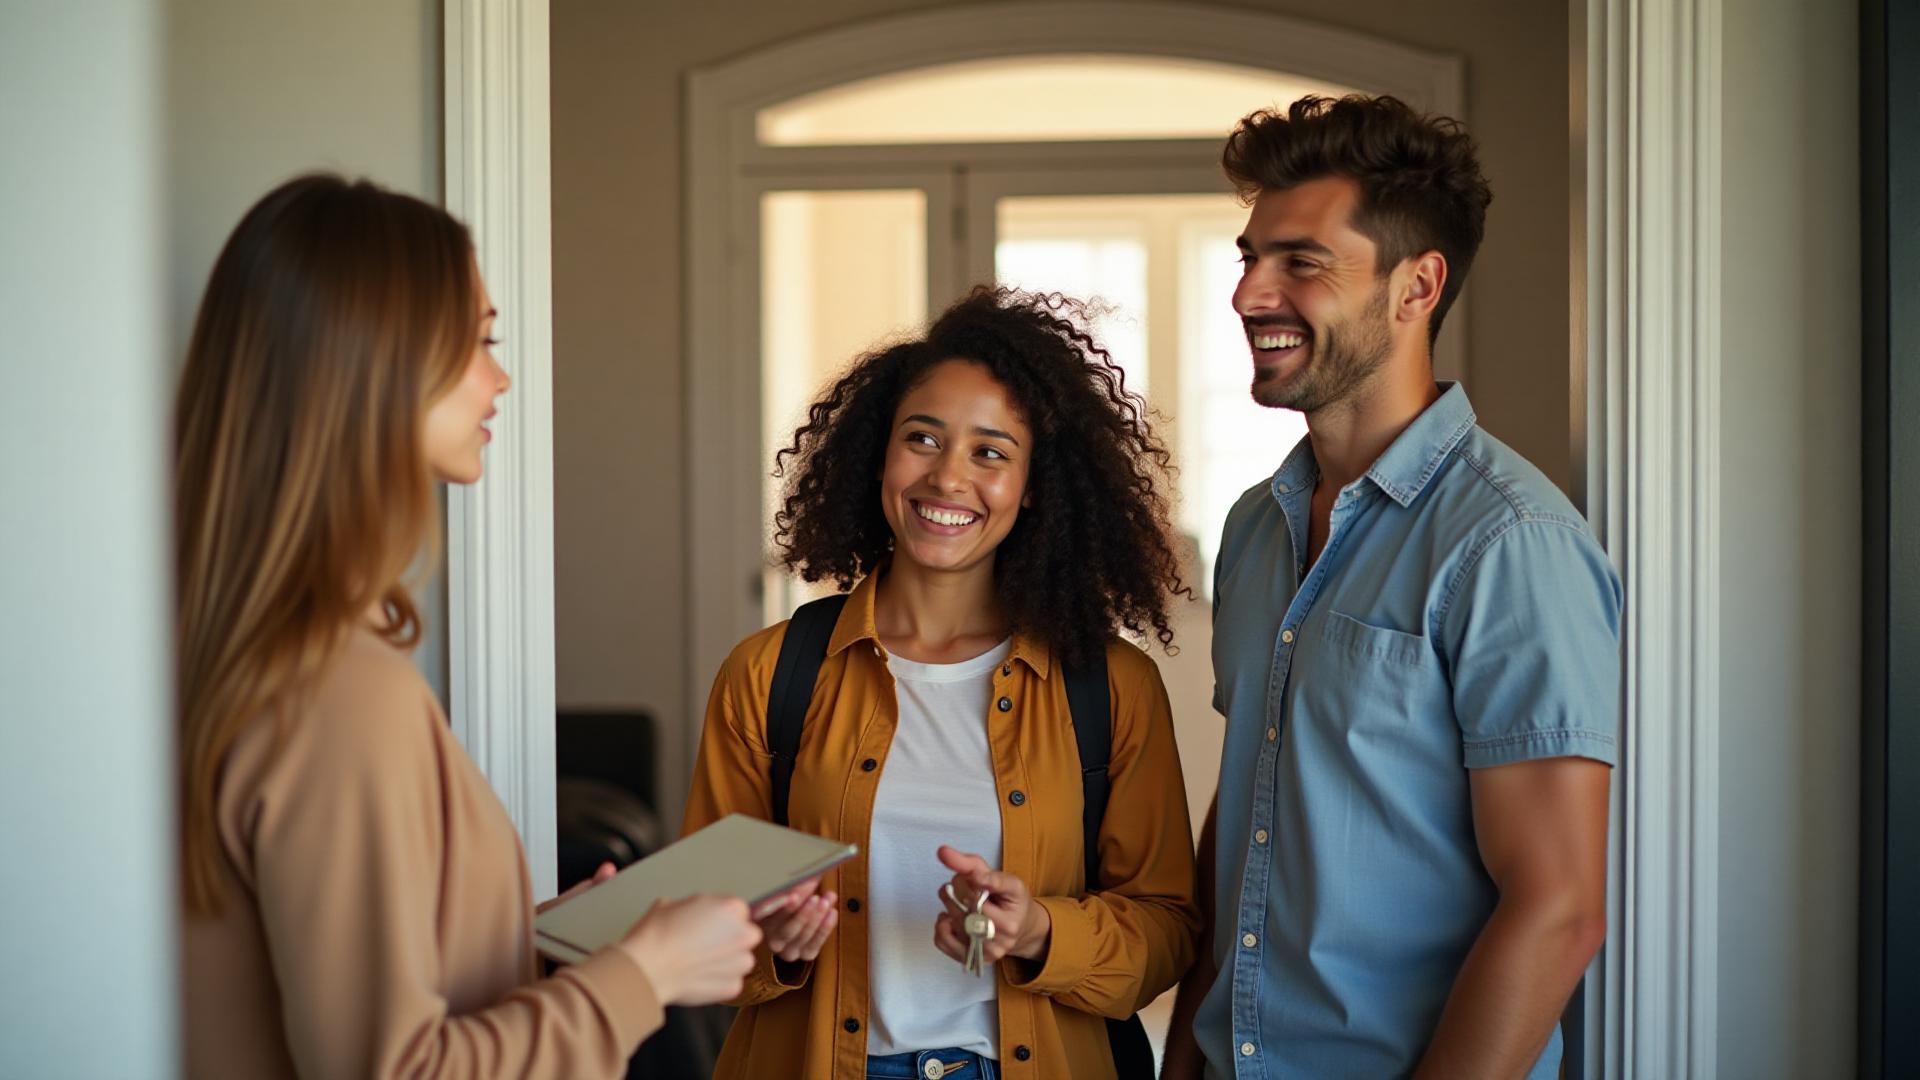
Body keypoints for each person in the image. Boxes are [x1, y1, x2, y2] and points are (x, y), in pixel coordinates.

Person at [174, 174, 761, 1079]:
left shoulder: (286, 653)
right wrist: (646, 974)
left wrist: (564, 943)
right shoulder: (339, 689)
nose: (502, 378)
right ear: (376, 363)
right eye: (480, 342)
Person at [1159, 96, 1622, 1080]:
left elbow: (1557, 907)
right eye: (1250, 257)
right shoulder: (1255, 527)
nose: (1248, 294)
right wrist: (1186, 1053)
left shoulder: (1510, 542)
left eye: (1301, 262)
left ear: (1418, 286)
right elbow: (1248, 802)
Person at [683, 288, 1201, 1080]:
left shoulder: (1112, 688)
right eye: (922, 438)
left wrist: (1040, 933)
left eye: (991, 452)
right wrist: (770, 946)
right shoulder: (766, 674)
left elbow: (1165, 933)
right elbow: (703, 925)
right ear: (878, 455)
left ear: (1034, 485)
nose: (948, 476)